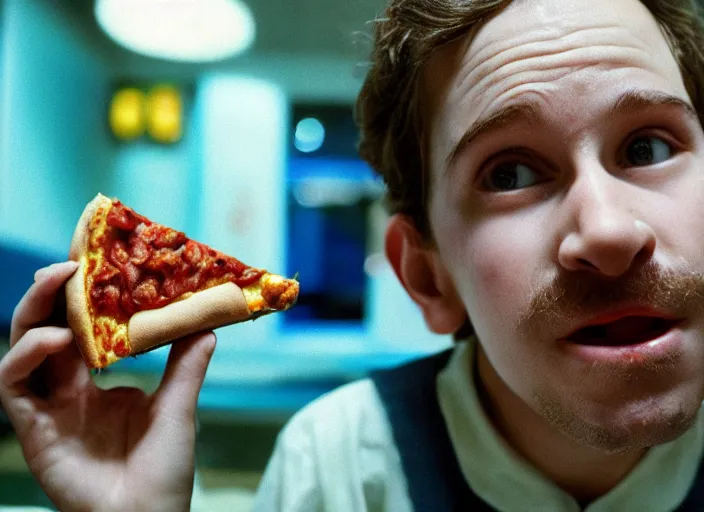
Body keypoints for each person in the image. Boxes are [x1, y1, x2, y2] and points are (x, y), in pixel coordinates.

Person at [3, 0, 704, 510]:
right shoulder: (334, 466)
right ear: (426, 278)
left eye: (648, 147)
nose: (609, 231)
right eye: (510, 172)